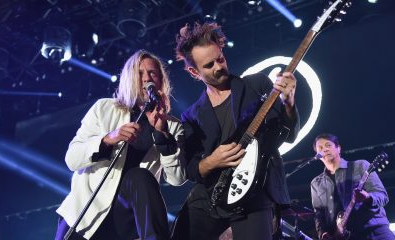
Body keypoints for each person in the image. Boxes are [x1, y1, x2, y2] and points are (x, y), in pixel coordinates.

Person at [171, 22, 300, 240]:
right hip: (212, 197)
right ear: (194, 72)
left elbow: (288, 135)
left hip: (256, 191)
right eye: (209, 65)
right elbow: (191, 170)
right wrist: (212, 161)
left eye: (220, 58)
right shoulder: (191, 116)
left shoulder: (256, 85)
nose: (218, 67)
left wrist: (288, 102)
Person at [54, 49, 186, 240]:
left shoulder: (172, 125)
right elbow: (72, 159)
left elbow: (177, 178)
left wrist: (162, 133)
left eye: (152, 73)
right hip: (85, 217)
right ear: (129, 78)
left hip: (123, 224)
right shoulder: (105, 108)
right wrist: (108, 139)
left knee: (139, 175)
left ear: (160, 81)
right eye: (139, 73)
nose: (146, 79)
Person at [310, 133, 394, 240]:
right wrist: (323, 233)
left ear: (339, 148)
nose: (324, 149)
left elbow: (382, 195)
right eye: (320, 148)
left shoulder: (360, 166)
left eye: (328, 145)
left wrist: (367, 197)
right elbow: (319, 215)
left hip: (375, 231)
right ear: (317, 156)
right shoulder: (316, 183)